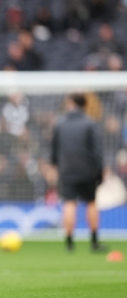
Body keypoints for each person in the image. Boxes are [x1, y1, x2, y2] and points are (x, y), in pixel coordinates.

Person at [51, 93, 107, 253]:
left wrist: (56, 165)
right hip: (87, 171)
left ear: (71, 103)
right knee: (91, 202)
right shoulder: (90, 123)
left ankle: (69, 243)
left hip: (66, 170)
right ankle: (94, 241)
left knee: (69, 203)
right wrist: (100, 169)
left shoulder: (60, 123)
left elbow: (54, 149)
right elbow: (97, 151)